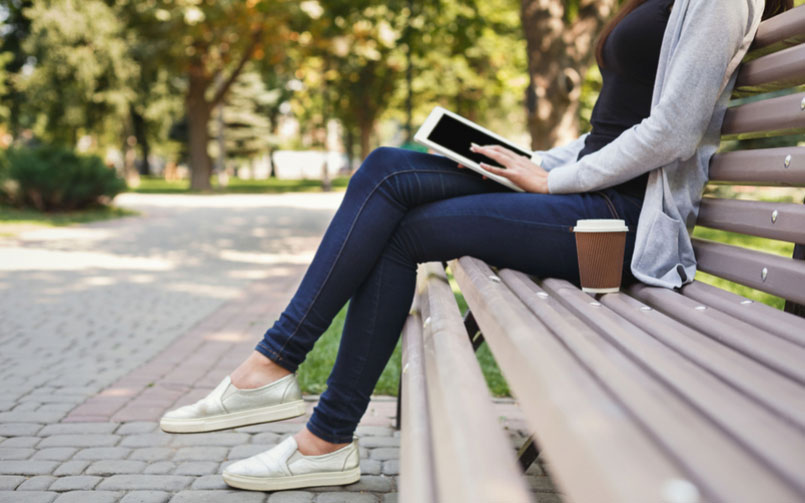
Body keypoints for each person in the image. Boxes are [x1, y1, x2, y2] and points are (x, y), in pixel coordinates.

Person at [159, 0, 790, 492]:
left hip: (617, 222)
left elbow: (673, 133)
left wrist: (553, 180)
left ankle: (300, 406)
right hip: (583, 194)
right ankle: (298, 402)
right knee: (386, 168)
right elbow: (611, 131)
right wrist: (529, 161)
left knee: (399, 215)